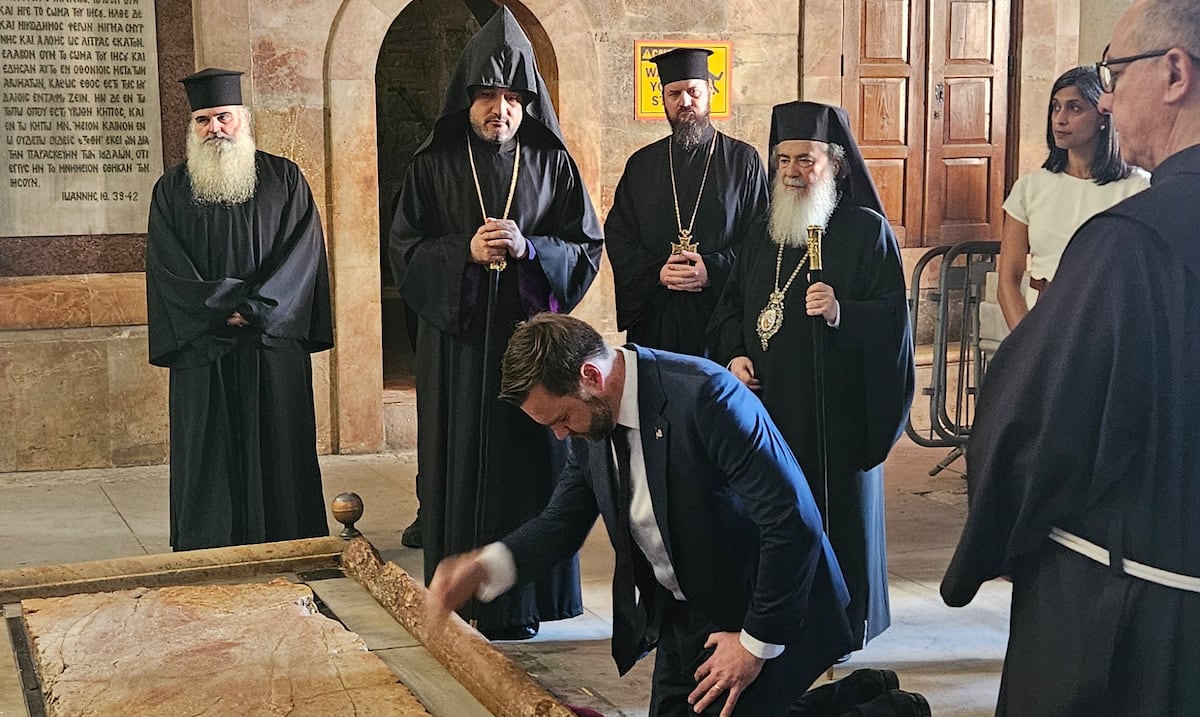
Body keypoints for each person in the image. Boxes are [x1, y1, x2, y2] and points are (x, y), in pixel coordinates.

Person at [941, 1, 1200, 714]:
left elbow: (1032, 419)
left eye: (1114, 74)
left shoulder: (1130, 240)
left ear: (1175, 72)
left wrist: (989, 539)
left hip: (1131, 611)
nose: (1105, 100)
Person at [429, 312, 857, 717]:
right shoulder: (590, 420)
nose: (559, 435)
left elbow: (792, 522)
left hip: (768, 606)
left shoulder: (706, 396)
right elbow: (561, 523)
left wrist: (753, 645)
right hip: (686, 611)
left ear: (592, 376)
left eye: (562, 418)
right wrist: (484, 566)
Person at [387, 7, 603, 640]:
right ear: (467, 98)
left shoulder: (552, 161)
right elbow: (402, 248)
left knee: (531, 459)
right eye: (487, 96)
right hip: (459, 345)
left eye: (512, 98)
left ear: (526, 102)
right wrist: (463, 252)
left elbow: (585, 245)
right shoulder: (433, 163)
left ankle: (527, 601)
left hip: (532, 345)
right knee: (458, 456)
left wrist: (532, 249)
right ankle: (458, 596)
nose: (500, 109)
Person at [708, 101, 914, 651]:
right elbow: (730, 308)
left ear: (836, 165)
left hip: (833, 419)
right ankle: (774, 623)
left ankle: (837, 626)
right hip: (767, 411)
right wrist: (735, 355)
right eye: (783, 160)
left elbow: (894, 322)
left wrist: (843, 312)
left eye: (807, 159)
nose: (793, 172)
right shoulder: (764, 232)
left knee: (831, 521)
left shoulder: (865, 231)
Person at [145, 68, 333, 551]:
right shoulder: (171, 190)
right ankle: (208, 544)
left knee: (280, 444)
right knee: (208, 449)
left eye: (223, 117)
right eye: (203, 120)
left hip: (270, 342)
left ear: (243, 119)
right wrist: (220, 307)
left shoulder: (285, 178)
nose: (215, 129)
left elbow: (304, 255)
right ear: (193, 127)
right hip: (203, 345)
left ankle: (289, 542)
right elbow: (167, 265)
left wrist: (255, 308)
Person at [604, 47, 769, 356]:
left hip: (720, 319)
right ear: (663, 100)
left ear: (710, 94)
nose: (685, 101)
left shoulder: (743, 161)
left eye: (693, 92)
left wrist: (713, 270)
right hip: (657, 317)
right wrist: (656, 272)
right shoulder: (642, 164)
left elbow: (760, 239)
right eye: (674, 94)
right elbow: (619, 235)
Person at [996, 65, 1150, 330]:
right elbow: (1008, 280)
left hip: (1110, 325)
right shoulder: (1030, 187)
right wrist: (1025, 342)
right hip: (1043, 321)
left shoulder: (1137, 189)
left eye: (1074, 108)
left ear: (1103, 117)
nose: (1060, 119)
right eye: (1056, 107)